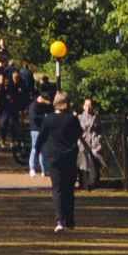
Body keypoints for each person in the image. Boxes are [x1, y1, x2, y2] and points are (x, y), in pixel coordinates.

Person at [45, 87, 81, 238]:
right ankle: (70, 220)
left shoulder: (49, 119)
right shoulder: (72, 119)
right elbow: (78, 134)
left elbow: (41, 137)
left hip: (54, 157)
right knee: (69, 189)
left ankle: (60, 220)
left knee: (57, 189)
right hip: (70, 156)